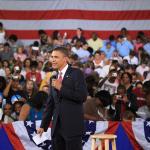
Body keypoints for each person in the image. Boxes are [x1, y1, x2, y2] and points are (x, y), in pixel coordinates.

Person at [37, 46, 87, 150]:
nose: (53, 60)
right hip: (56, 128)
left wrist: (61, 88)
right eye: (52, 57)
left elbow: (82, 97)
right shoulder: (53, 77)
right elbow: (50, 103)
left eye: (56, 57)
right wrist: (43, 125)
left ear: (65, 59)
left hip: (72, 127)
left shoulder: (76, 73)